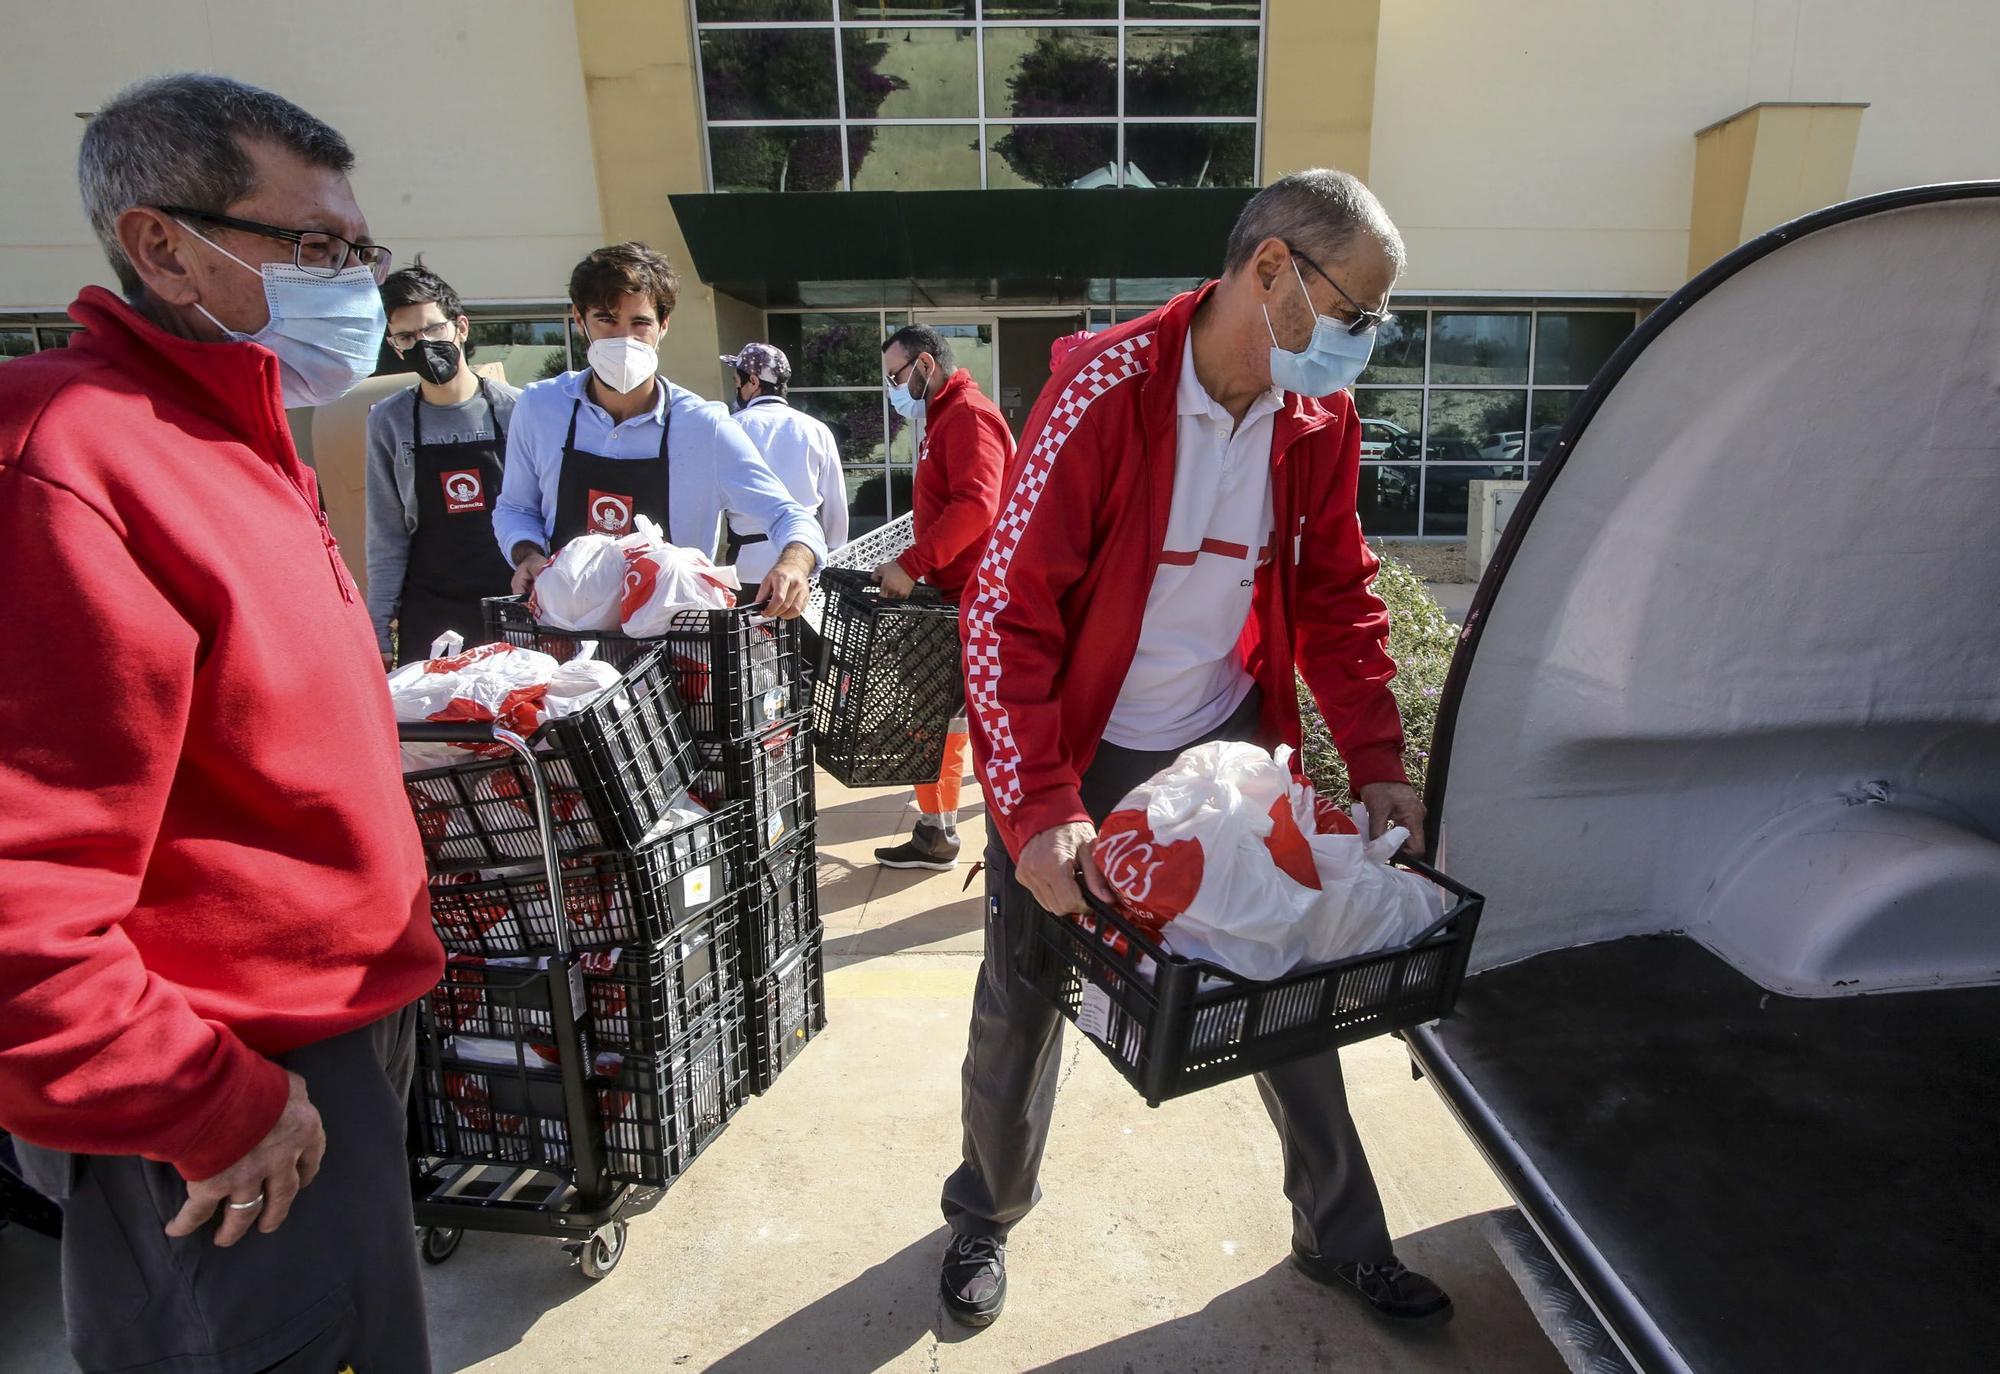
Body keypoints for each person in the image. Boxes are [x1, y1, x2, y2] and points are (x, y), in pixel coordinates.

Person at [937, 170, 1452, 1331]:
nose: (1362, 343)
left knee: (1289, 976)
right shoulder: (1103, 391)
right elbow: (1004, 614)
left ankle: (1339, 1238)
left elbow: (1335, 594)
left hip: (1220, 742)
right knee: (1024, 996)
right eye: (1354, 313)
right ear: (1268, 268)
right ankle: (983, 1213)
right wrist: (1039, 811)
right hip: (1083, 748)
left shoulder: (1313, 416)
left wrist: (1375, 760)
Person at [0, 74, 444, 1372]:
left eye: (355, 248)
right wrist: (197, 1096)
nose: (350, 280)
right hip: (227, 1079)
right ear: (159, 245)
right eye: (311, 246)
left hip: (332, 1042)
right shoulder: (72, 457)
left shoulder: (239, 434)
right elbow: (22, 881)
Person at [492, 242, 825, 616]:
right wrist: (527, 554)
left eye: (640, 323)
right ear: (579, 319)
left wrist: (794, 564)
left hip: (674, 645)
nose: (624, 339)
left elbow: (788, 515)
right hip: (563, 633)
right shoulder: (540, 408)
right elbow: (515, 507)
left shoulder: (704, 427)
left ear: (663, 325)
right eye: (606, 319)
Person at [871, 325, 1012, 871]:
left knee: (957, 719)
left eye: (896, 375)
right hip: (955, 594)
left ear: (925, 364)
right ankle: (937, 833)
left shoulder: (969, 416)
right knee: (942, 719)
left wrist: (911, 565)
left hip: (976, 599)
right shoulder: (943, 418)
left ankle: (953, 836)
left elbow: (978, 506)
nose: (893, 387)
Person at [366, 258, 520, 665]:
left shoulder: (518, 411)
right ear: (395, 347)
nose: (424, 344)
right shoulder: (388, 420)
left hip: (517, 605)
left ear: (461, 327)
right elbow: (386, 532)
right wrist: (377, 626)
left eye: (433, 329)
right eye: (407, 337)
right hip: (431, 610)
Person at [718, 341, 848, 583]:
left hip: (746, 568)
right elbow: (835, 508)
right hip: (804, 566)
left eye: (738, 382)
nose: (737, 390)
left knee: (752, 623)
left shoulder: (730, 428)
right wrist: (831, 550)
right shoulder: (817, 430)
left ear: (754, 382)